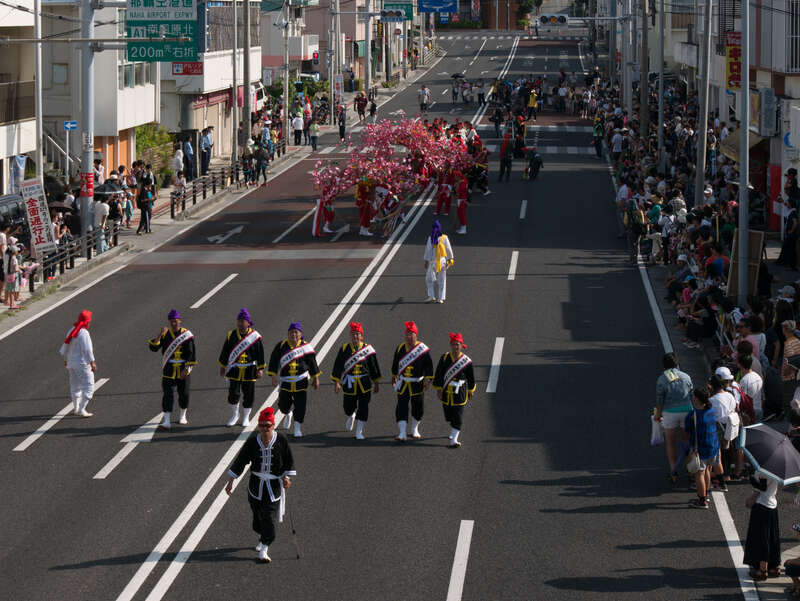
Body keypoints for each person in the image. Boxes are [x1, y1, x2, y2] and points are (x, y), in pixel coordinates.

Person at [225, 407, 295, 564]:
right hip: (256, 485)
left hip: (273, 486)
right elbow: (241, 461)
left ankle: (264, 548)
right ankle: (261, 534)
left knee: (268, 516)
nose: (265, 429)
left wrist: (287, 478)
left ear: (273, 425)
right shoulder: (252, 442)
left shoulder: (282, 440)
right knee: (257, 516)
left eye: (268, 425)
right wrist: (230, 481)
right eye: (262, 425)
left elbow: (288, 462)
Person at [267, 322, 321, 438]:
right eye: (291, 332)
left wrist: (315, 378)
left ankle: (297, 428)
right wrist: (273, 376)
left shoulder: (306, 347)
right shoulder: (281, 346)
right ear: (288, 334)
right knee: (283, 405)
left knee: (300, 406)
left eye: (296, 332)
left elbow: (312, 363)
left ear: (300, 334)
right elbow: (273, 361)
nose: (294, 335)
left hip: (301, 381)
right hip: (285, 382)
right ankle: (287, 413)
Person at [330, 322, 382, 439]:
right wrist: (337, 382)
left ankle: (359, 431)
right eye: (353, 334)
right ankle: (350, 415)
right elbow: (338, 366)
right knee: (348, 407)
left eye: (358, 334)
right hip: (350, 383)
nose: (355, 337)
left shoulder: (368, 349)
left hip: (365, 383)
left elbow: (374, 366)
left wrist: (376, 382)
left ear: (361, 336)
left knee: (364, 407)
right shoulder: (344, 349)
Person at [149, 309, 196, 429]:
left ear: (179, 321)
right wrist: (160, 335)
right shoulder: (166, 334)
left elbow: (191, 353)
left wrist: (187, 369)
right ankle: (167, 421)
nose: (174, 323)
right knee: (167, 394)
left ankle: (182, 415)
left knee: (184, 393)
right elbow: (154, 348)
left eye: (175, 321)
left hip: (182, 368)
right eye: (171, 321)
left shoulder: (187, 335)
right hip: (169, 369)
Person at [218, 309, 266, 427]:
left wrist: (260, 369)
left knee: (249, 394)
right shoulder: (231, 335)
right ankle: (235, 415)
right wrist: (223, 366)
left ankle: (246, 417)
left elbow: (260, 354)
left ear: (248, 323)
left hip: (249, 369)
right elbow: (225, 352)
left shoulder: (255, 337)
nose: (240, 323)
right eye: (238, 321)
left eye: (242, 321)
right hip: (234, 369)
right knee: (233, 393)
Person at [391, 321, 434, 441]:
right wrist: (394, 376)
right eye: (407, 334)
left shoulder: (423, 350)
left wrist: (427, 379)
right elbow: (395, 364)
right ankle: (402, 432)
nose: (409, 337)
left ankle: (414, 428)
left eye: (412, 334)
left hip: (417, 383)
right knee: (401, 406)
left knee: (418, 407)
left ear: (416, 335)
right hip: (403, 383)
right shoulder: (400, 348)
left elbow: (429, 366)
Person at [654, 352, 693, 482]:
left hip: (670, 412)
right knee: (686, 442)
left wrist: (658, 414)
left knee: (670, 443)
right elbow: (691, 394)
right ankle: (691, 469)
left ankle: (674, 471)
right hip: (687, 410)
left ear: (663, 365)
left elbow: (660, 400)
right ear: (676, 363)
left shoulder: (662, 379)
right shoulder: (686, 376)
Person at [433, 332, 476, 448]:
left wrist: (471, 390)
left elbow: (471, 377)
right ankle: (453, 428)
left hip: (460, 392)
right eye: (453, 344)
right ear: (450, 345)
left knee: (458, 415)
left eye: (457, 344)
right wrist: (438, 389)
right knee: (449, 415)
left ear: (461, 346)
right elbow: (439, 373)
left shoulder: (466, 361)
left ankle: (454, 439)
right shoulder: (445, 358)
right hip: (447, 391)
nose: (455, 347)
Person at [682, 387, 719, 509]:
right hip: (712, 446)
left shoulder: (693, 415)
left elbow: (687, 431)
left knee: (699, 473)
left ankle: (702, 500)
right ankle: (706, 494)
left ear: (697, 399)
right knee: (708, 470)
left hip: (700, 449)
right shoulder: (711, 410)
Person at [59, 310, 97, 417]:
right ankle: (82, 409)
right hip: (82, 363)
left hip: (71, 362)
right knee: (89, 385)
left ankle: (76, 408)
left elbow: (66, 346)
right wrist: (92, 362)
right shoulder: (84, 333)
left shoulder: (72, 330)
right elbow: (87, 350)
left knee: (75, 385)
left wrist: (66, 360)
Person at [743, 474, 781, 581]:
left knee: (761, 538)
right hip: (772, 505)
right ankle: (773, 567)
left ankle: (762, 570)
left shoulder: (762, 470)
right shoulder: (776, 468)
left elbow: (761, 487)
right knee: (772, 537)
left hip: (761, 506)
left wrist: (750, 499)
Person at [423, 220, 453, 304]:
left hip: (433, 262)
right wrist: (450, 259)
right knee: (442, 280)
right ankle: (440, 298)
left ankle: (431, 296)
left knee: (429, 279)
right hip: (442, 262)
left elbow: (428, 250)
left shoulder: (431, 237)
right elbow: (448, 249)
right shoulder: (444, 237)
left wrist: (426, 261)